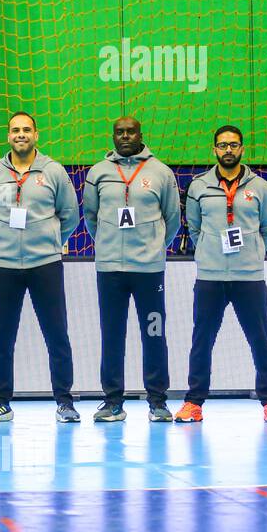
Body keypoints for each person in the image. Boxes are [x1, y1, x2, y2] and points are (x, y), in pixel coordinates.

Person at [0, 111, 81, 423]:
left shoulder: (54, 172)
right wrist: (1, 238)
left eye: (26, 130)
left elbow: (70, 215)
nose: (21, 134)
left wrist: (49, 241)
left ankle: (65, 401)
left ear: (36, 135)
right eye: (15, 130)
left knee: (56, 334)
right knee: (3, 337)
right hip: (5, 266)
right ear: (8, 136)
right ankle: (2, 401)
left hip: (45, 264)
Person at [180, 126, 267, 424]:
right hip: (210, 276)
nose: (228, 150)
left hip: (249, 277)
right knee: (202, 340)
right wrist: (207, 253)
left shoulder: (261, 187)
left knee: (260, 340)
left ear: (242, 148)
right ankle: (194, 402)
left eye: (234, 145)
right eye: (222, 145)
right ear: (214, 149)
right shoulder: (199, 186)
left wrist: (251, 254)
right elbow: (195, 228)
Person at [82, 117, 181, 422]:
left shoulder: (161, 172)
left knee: (154, 333)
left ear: (141, 134)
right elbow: (91, 217)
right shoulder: (98, 173)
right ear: (113, 136)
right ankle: (113, 402)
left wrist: (152, 248)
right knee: (112, 336)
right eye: (119, 132)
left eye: (131, 131)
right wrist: (109, 246)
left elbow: (173, 218)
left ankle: (158, 401)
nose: (125, 136)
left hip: (149, 271)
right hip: (110, 269)